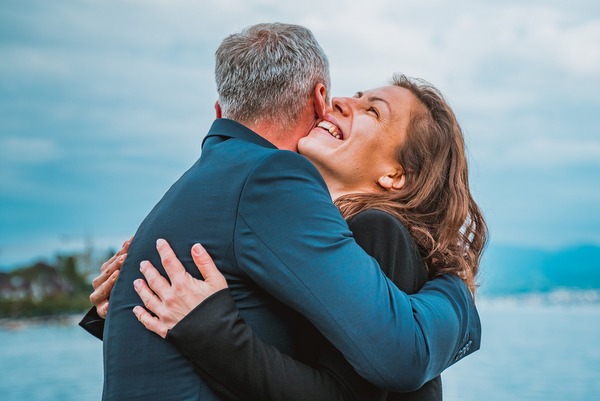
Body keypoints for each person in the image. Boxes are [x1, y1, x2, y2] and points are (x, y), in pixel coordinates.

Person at [80, 23, 482, 401]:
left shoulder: (376, 230)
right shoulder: (292, 225)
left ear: (396, 174)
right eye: (353, 95)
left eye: (372, 111)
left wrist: (457, 294)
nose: (341, 104)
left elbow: (380, 371)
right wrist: (131, 302)